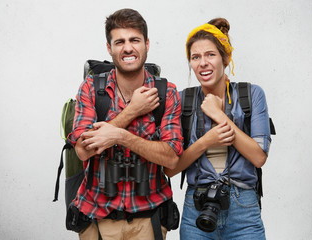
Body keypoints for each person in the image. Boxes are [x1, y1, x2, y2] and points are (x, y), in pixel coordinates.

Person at [68, 8, 183, 240]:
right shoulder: (91, 88)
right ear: (109, 48)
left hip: (148, 217)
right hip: (97, 216)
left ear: (147, 44)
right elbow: (82, 150)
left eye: (135, 40)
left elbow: (171, 158)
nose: (128, 48)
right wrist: (132, 111)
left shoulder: (166, 92)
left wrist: (120, 137)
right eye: (119, 41)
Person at [165, 18, 272, 239]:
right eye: (195, 57)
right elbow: (170, 169)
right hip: (196, 207)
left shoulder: (252, 95)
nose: (203, 63)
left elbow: (259, 157)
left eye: (210, 55)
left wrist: (219, 116)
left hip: (244, 209)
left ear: (226, 58)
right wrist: (207, 140)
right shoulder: (182, 100)